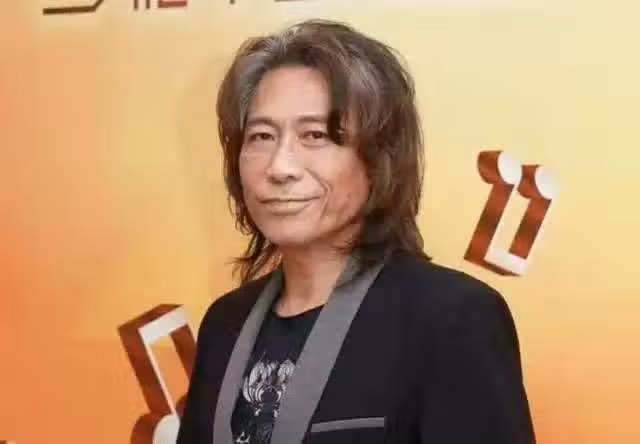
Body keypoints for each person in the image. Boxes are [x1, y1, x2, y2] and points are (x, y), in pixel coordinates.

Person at [177, 19, 535, 444]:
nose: (280, 167)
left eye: (315, 135)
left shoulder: (452, 319)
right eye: (261, 136)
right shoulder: (224, 324)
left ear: (378, 159)